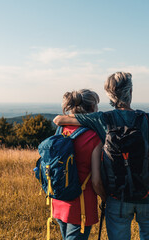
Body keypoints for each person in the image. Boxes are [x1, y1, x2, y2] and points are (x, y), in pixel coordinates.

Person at [53, 72, 149, 240]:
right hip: (147, 192)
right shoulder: (148, 119)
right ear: (130, 92)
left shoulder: (102, 118)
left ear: (109, 95)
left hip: (117, 196)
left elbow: (60, 120)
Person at [52, 89, 106, 240]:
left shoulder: (61, 128)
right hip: (81, 203)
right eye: (96, 105)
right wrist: (105, 198)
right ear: (91, 108)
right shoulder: (94, 137)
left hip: (59, 198)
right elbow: (95, 180)